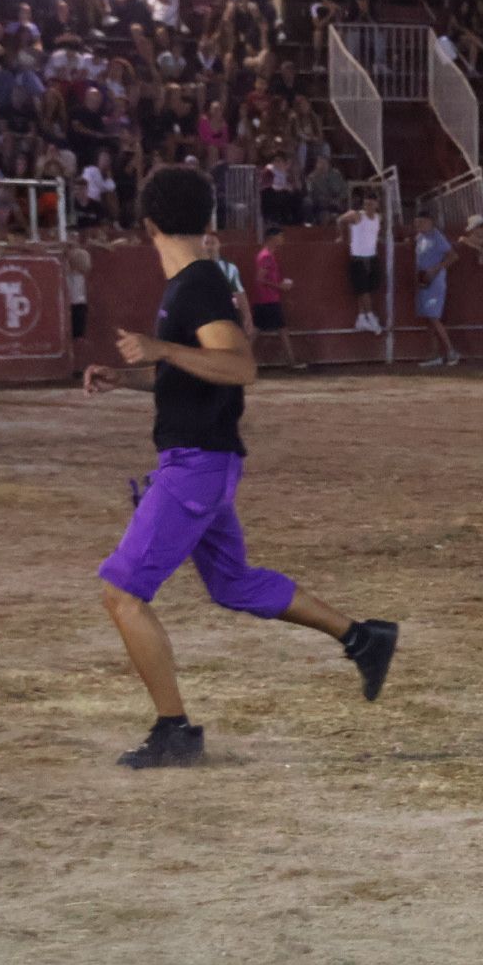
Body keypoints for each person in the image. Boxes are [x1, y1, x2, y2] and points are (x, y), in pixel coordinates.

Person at [82, 166, 397, 769]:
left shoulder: (194, 285)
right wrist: (129, 375)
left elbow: (240, 365)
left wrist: (161, 348)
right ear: (206, 221)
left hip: (195, 466)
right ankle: (363, 637)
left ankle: (173, 729)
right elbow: (191, 371)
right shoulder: (195, 283)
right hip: (207, 462)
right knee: (233, 583)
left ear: (147, 224)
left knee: (122, 595)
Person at [412, 211, 460, 367]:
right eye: (417, 222)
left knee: (433, 317)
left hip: (435, 281)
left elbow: (453, 256)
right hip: (423, 280)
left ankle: (451, 351)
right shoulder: (420, 238)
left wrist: (436, 269)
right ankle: (436, 354)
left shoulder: (437, 237)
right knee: (429, 318)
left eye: (421, 222)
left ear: (430, 222)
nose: (418, 225)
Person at [251, 226, 303, 370]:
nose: (282, 239)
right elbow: (260, 279)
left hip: (265, 299)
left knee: (257, 330)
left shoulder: (266, 255)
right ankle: (291, 362)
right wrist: (280, 286)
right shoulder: (267, 256)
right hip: (268, 300)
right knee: (281, 330)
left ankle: (238, 359)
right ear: (272, 238)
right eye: (280, 236)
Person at [339, 194, 384, 334]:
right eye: (366, 204)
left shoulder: (378, 218)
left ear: (377, 204)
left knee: (365, 289)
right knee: (363, 291)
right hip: (358, 257)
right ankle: (371, 317)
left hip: (371, 257)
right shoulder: (357, 215)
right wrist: (343, 236)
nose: (368, 207)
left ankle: (361, 318)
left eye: (371, 204)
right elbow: (340, 220)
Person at [203, 232, 252, 336]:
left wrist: (247, 315)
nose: (209, 247)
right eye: (206, 243)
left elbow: (239, 293)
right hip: (202, 317)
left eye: (213, 243)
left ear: (219, 245)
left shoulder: (230, 268)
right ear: (202, 245)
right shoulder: (193, 267)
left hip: (224, 317)